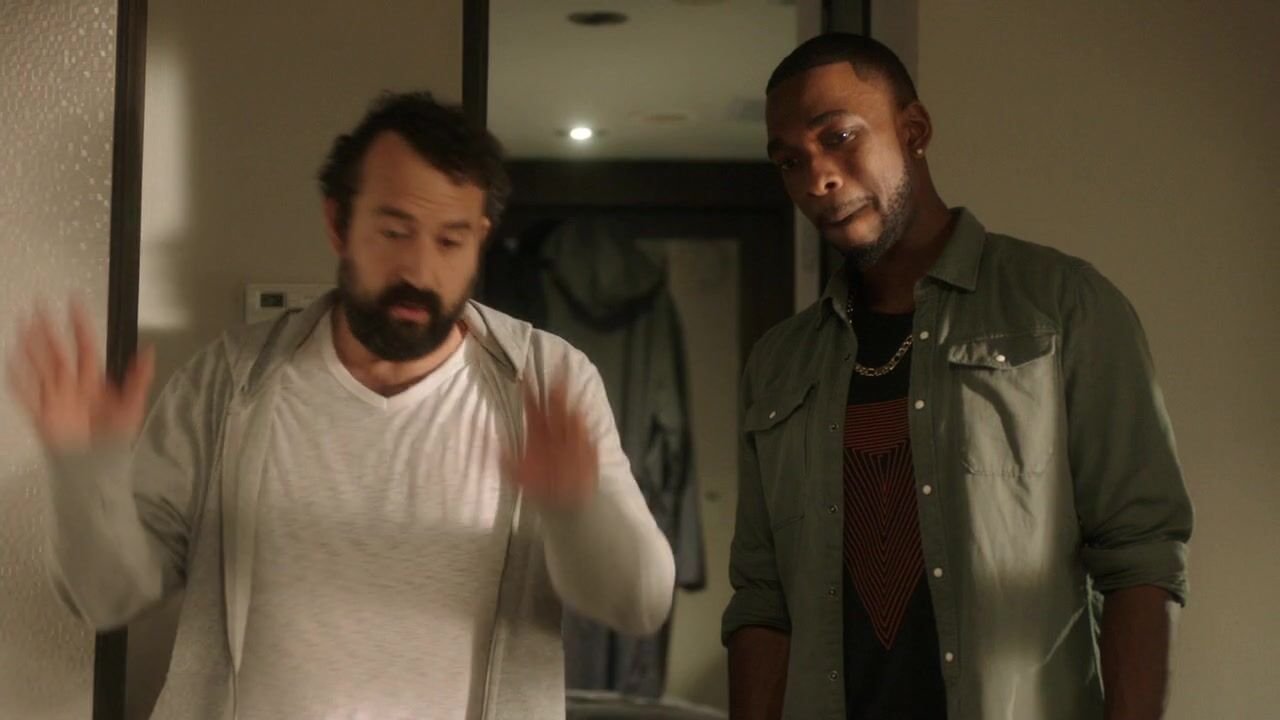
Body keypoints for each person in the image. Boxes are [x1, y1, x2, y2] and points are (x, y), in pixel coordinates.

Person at [7, 91, 675, 720]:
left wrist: (576, 506)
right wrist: (82, 470)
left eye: (450, 240)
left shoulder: (549, 381)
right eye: (394, 231)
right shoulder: (230, 381)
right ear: (338, 222)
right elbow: (106, 597)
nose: (420, 269)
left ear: (479, 238)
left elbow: (639, 603)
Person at [722, 33, 1193, 720]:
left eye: (840, 137)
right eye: (791, 161)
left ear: (913, 131)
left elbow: (1140, 556)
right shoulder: (779, 363)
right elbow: (763, 598)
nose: (818, 178)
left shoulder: (1061, 308)